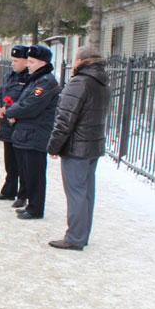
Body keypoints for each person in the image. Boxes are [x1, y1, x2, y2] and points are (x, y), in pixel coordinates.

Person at [46, 44, 111, 251]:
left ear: (80, 61)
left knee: (75, 192)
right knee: (86, 193)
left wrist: (54, 146)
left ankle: (75, 237)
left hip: (76, 147)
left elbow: (64, 119)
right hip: (93, 145)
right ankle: (82, 234)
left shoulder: (79, 83)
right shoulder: (102, 83)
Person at [3, 45, 60, 220]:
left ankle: (36, 208)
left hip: (36, 134)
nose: (28, 64)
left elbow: (30, 106)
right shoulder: (36, 79)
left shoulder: (46, 82)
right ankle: (31, 205)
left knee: (35, 174)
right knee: (27, 172)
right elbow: (22, 100)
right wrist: (13, 110)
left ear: (42, 63)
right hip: (26, 133)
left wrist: (10, 111)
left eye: (32, 62)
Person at [0, 45, 30, 207]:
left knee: (22, 163)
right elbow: (0, 95)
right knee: (10, 161)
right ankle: (9, 190)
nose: (12, 63)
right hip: (7, 124)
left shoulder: (30, 79)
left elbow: (26, 102)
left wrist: (12, 112)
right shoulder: (9, 77)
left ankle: (23, 194)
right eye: (12, 60)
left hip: (18, 125)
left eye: (16, 61)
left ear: (26, 62)